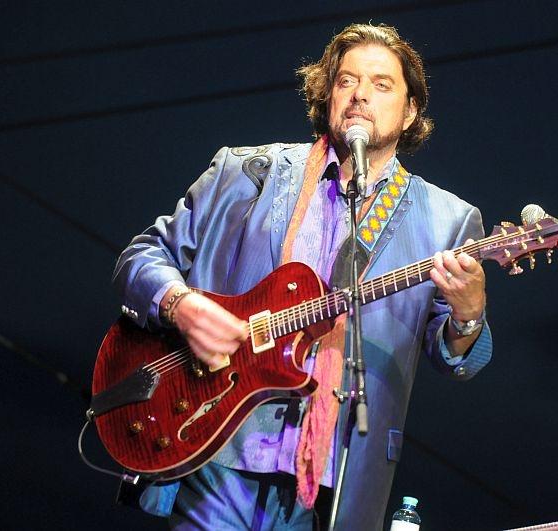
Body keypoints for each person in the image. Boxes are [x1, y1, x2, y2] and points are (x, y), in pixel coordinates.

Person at [112, 23, 493, 530]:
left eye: (381, 84)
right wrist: (179, 304)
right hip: (214, 443)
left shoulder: (447, 221)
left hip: (334, 471)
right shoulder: (244, 172)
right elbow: (140, 258)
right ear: (327, 95)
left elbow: (455, 356)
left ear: (410, 111)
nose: (360, 95)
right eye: (346, 80)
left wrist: (468, 315)